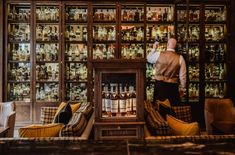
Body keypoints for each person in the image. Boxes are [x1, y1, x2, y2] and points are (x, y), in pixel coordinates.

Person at [147, 38, 186, 106]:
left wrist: (154, 49)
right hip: (173, 87)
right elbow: (183, 76)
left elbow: (148, 58)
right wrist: (182, 88)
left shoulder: (158, 54)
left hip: (160, 86)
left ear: (167, 44)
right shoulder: (180, 58)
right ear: (175, 46)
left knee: (159, 108)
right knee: (172, 108)